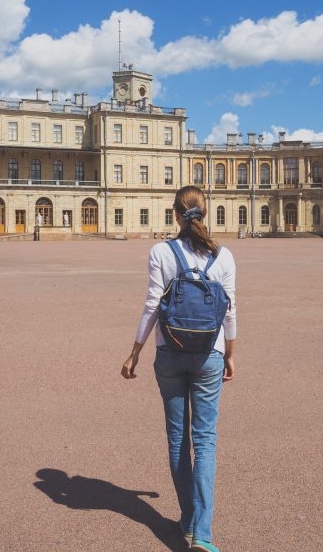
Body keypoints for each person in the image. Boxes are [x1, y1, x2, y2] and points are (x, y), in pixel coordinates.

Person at [121, 185, 236, 552]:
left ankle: (187, 519)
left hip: (168, 352)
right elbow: (230, 311)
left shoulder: (160, 251)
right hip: (209, 355)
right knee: (205, 441)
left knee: (178, 440)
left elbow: (152, 304)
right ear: (207, 213)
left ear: (175, 215)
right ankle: (202, 532)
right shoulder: (224, 256)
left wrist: (135, 352)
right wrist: (230, 353)